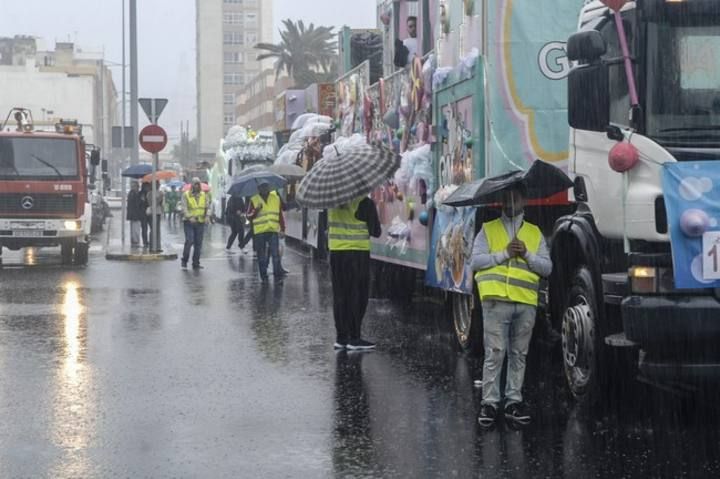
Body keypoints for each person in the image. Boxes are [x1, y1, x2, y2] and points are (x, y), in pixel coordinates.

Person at [471, 185, 552, 427]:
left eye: (515, 197)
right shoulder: (488, 229)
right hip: (496, 301)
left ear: (524, 201)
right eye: (507, 197)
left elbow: (547, 268)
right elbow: (475, 261)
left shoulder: (534, 233)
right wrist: (504, 254)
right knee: (495, 353)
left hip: (525, 302)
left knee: (519, 354)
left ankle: (513, 402)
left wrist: (526, 254)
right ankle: (490, 403)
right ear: (501, 202)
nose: (511, 202)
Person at [329, 196, 381, 351]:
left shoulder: (332, 202)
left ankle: (341, 338)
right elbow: (376, 231)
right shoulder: (364, 203)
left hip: (336, 252)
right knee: (357, 295)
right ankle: (354, 337)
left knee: (340, 295)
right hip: (357, 253)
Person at [247, 181, 284, 283]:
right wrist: (256, 210)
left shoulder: (275, 198)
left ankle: (277, 277)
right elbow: (248, 216)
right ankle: (264, 277)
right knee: (261, 256)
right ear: (258, 188)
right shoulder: (254, 200)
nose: (264, 188)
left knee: (275, 255)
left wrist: (283, 229)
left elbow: (280, 214)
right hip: (260, 232)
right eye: (262, 187)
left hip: (272, 230)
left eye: (266, 186)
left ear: (268, 187)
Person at [181, 178, 209, 269]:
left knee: (198, 243)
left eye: (198, 184)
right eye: (195, 184)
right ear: (192, 185)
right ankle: (184, 261)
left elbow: (207, 207)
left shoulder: (204, 195)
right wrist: (189, 217)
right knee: (190, 241)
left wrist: (207, 216)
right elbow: (184, 208)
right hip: (189, 222)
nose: (196, 186)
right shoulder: (186, 195)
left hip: (200, 221)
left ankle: (196, 263)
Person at [146, 181, 164, 252]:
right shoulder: (149, 193)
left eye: (159, 184)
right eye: (157, 184)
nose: (158, 185)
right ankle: (152, 246)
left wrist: (161, 198)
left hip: (158, 212)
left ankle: (158, 246)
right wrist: (159, 198)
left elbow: (161, 204)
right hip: (152, 213)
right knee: (153, 230)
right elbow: (152, 203)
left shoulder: (160, 192)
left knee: (158, 230)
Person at [126, 181, 144, 247]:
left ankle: (134, 240)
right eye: (135, 186)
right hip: (135, 214)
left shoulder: (131, 193)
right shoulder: (133, 194)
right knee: (136, 228)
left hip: (133, 214)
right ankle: (135, 241)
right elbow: (137, 204)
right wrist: (141, 200)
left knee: (134, 228)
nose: (137, 188)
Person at [139, 182, 151, 248]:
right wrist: (142, 201)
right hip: (143, 214)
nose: (147, 188)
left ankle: (151, 240)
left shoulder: (150, 193)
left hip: (150, 213)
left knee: (152, 227)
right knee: (144, 228)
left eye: (148, 186)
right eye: (146, 186)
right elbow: (138, 204)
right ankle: (145, 242)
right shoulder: (141, 194)